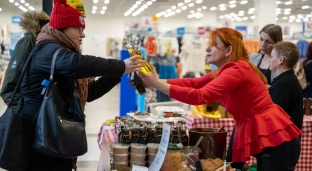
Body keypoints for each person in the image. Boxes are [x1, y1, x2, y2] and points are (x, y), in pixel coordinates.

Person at [138, 27, 301, 171]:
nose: (207, 49)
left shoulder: (236, 70)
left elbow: (199, 95)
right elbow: (194, 83)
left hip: (276, 140)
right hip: (270, 137)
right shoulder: (228, 69)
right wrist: (155, 82)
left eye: (213, 45)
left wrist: (157, 84)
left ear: (228, 50)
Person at [19, 0, 145, 170]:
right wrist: (121, 65)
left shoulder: (61, 53)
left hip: (56, 138)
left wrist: (118, 74)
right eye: (77, 29)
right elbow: (76, 64)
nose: (82, 34)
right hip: (41, 141)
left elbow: (88, 93)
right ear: (62, 28)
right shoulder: (48, 51)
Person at [227, 24, 284, 170]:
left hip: (265, 119)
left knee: (263, 160)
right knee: (233, 158)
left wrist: (260, 88)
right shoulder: (254, 57)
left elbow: (283, 88)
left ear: (277, 42)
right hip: (246, 116)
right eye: (261, 39)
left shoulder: (280, 62)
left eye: (268, 41)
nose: (263, 44)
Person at [269, 41, 303, 130]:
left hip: (283, 140)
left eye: (272, 57)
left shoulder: (284, 83)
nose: (270, 59)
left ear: (281, 60)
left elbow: (273, 114)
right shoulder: (288, 80)